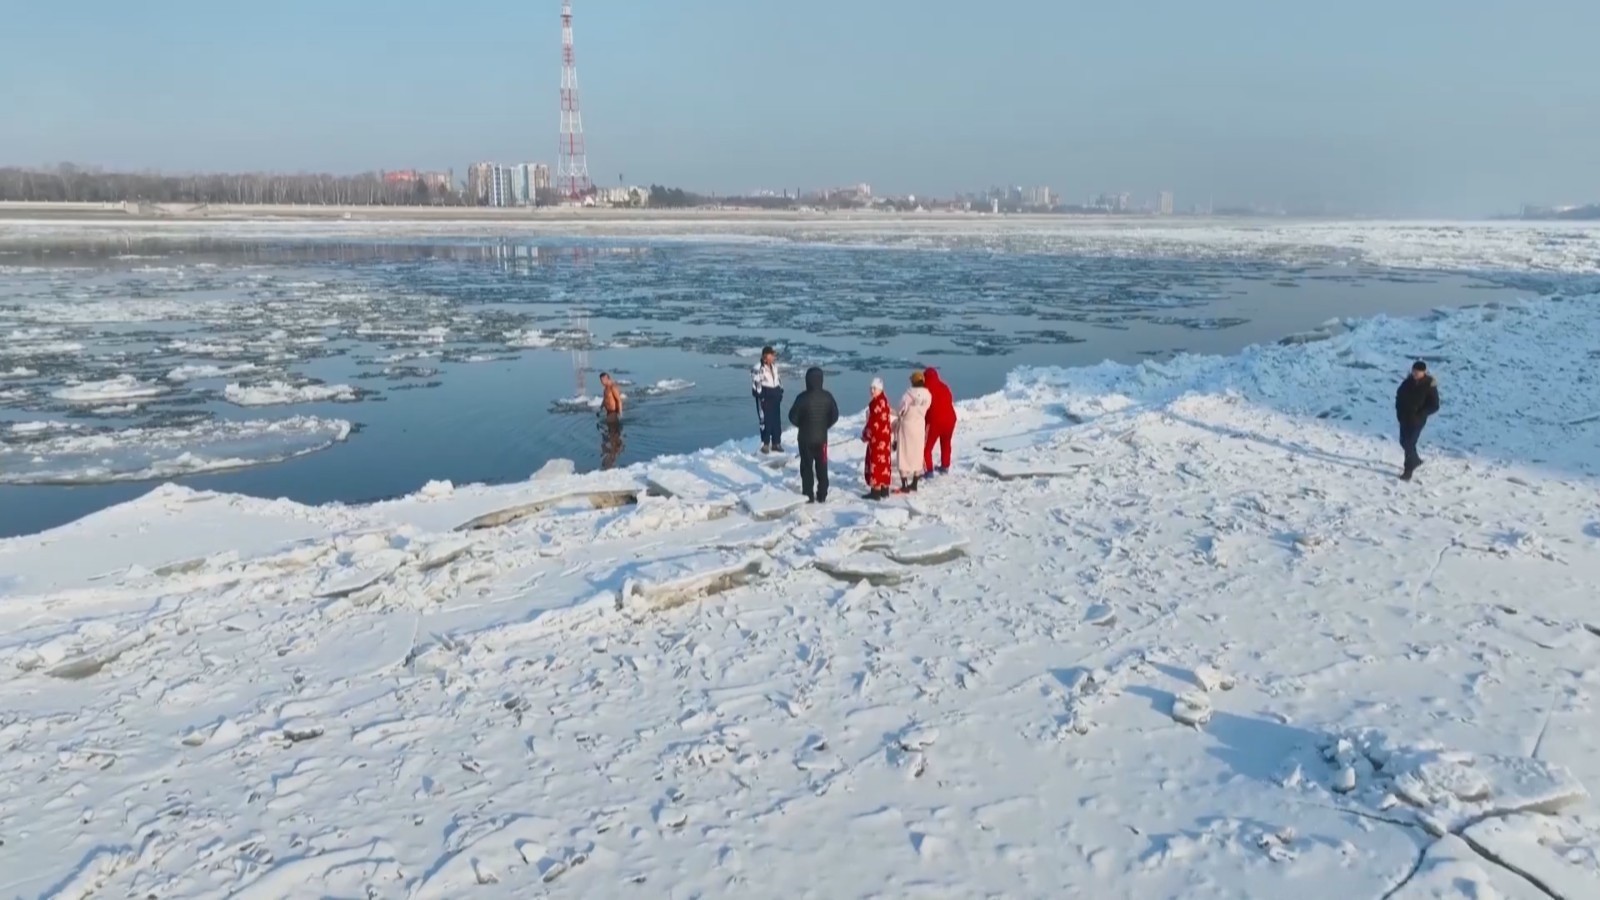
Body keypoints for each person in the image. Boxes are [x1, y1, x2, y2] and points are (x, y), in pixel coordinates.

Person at [787, 366, 839, 503]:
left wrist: (803, 425)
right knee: (822, 465)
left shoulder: (802, 398)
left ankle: (808, 494)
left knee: (807, 466)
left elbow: (792, 417)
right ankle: (822, 494)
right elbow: (835, 416)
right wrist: (824, 425)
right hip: (822, 438)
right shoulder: (828, 397)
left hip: (805, 438)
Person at [1395, 359, 1440, 481]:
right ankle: (1415, 460)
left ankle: (1408, 470)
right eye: (1413, 371)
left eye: (1417, 372)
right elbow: (1399, 396)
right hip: (1404, 417)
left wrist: (1421, 414)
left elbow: (1435, 405)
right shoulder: (1407, 383)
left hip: (1417, 420)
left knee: (1409, 442)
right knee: (1403, 442)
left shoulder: (1429, 385)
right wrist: (1399, 412)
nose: (1414, 374)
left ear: (1423, 372)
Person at [896, 371, 932, 493]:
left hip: (907, 426)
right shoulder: (928, 395)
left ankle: (904, 484)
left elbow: (900, 409)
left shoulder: (908, 395)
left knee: (903, 454)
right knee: (918, 452)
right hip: (919, 426)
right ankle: (915, 483)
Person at [860, 378, 894, 500]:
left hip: (877, 439)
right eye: (871, 388)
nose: (872, 391)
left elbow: (873, 424)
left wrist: (865, 435)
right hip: (884, 438)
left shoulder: (876, 405)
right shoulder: (884, 401)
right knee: (884, 464)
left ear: (880, 389)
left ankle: (875, 491)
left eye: (875, 388)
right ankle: (884, 489)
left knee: (876, 463)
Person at [922, 367, 957, 476]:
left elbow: (924, 408)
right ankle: (945, 466)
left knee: (926, 448)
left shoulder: (925, 390)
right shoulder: (944, 386)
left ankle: (929, 471)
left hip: (935, 421)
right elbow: (950, 400)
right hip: (950, 419)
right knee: (946, 443)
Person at [751, 346, 783, 453]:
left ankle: (776, 442)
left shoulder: (774, 366)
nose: (774, 356)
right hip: (765, 397)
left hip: (775, 396)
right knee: (765, 420)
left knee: (776, 420)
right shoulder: (758, 368)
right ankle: (765, 444)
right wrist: (761, 396)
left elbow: (778, 380)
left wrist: (780, 392)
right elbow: (756, 383)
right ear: (766, 355)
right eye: (772, 355)